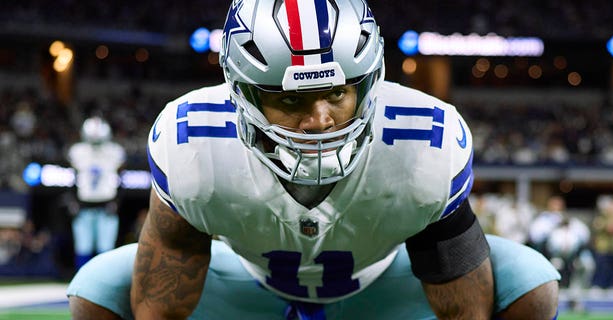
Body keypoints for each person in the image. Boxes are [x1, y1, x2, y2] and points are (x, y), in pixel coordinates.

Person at [67, 1, 560, 319]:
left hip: (381, 285)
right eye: (291, 101)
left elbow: (462, 303)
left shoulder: (425, 142)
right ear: (244, 95)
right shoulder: (192, 140)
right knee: (95, 292)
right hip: (249, 284)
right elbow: (165, 289)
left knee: (531, 287)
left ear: (368, 81)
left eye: (337, 93)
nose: (320, 120)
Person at [67, 116, 125, 269]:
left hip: (106, 205)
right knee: (83, 246)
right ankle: (82, 282)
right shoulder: (77, 151)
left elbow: (120, 178)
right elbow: (72, 178)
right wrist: (72, 201)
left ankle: (104, 282)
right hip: (84, 205)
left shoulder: (115, 151)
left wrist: (117, 201)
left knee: (106, 248)